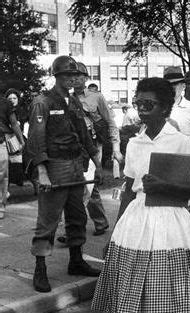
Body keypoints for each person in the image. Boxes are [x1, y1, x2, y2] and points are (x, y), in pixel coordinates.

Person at [91, 77, 190, 313]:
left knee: (173, 284)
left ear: (165, 108)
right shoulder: (134, 143)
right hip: (138, 221)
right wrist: (113, 233)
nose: (142, 109)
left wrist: (166, 185)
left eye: (149, 104)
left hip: (171, 220)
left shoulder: (180, 141)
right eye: (138, 103)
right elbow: (130, 191)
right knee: (143, 287)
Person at [26, 55, 103, 293]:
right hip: (54, 166)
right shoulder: (43, 102)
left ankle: (76, 260)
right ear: (57, 76)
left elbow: (83, 134)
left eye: (75, 75)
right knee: (48, 220)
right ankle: (40, 268)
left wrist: (97, 163)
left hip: (74, 165)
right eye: (67, 75)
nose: (72, 78)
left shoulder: (73, 102)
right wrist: (42, 173)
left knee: (77, 216)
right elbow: (36, 139)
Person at [73, 62, 123, 237]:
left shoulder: (97, 97)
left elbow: (110, 122)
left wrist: (116, 147)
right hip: (73, 147)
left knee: (85, 184)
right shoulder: (65, 98)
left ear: (86, 78)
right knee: (84, 185)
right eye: (73, 74)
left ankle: (73, 229)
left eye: (80, 75)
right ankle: (100, 222)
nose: (76, 78)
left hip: (93, 146)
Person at [0, 92, 24, 218]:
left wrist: (21, 140)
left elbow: (14, 123)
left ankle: (0, 209)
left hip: (1, 142)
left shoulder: (5, 103)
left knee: (2, 176)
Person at [163, 66, 190, 139]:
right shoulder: (157, 109)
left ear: (183, 85)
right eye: (168, 84)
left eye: (175, 83)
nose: (172, 87)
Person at [5, 89, 27, 187]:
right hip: (7, 140)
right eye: (10, 98)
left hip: (20, 140)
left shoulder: (22, 112)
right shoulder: (4, 112)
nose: (12, 100)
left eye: (14, 98)